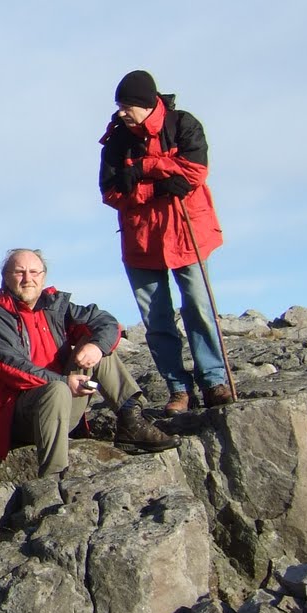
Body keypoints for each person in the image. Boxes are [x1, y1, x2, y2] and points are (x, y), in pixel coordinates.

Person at [0, 249, 180, 477]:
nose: (28, 279)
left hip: (61, 408)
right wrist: (62, 381)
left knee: (97, 346)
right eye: (19, 272)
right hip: (12, 418)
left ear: (43, 276)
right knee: (57, 389)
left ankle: (131, 420)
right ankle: (54, 475)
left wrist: (96, 347)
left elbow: (105, 322)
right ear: (6, 276)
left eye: (34, 272)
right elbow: (11, 366)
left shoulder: (55, 305)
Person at [98, 70, 231, 411]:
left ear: (145, 103)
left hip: (187, 234)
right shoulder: (115, 140)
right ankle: (179, 389)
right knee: (157, 321)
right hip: (142, 242)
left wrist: (143, 169)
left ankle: (214, 381)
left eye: (127, 105)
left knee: (200, 308)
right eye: (120, 106)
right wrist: (157, 183)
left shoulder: (183, 124)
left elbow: (194, 173)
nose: (122, 112)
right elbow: (111, 192)